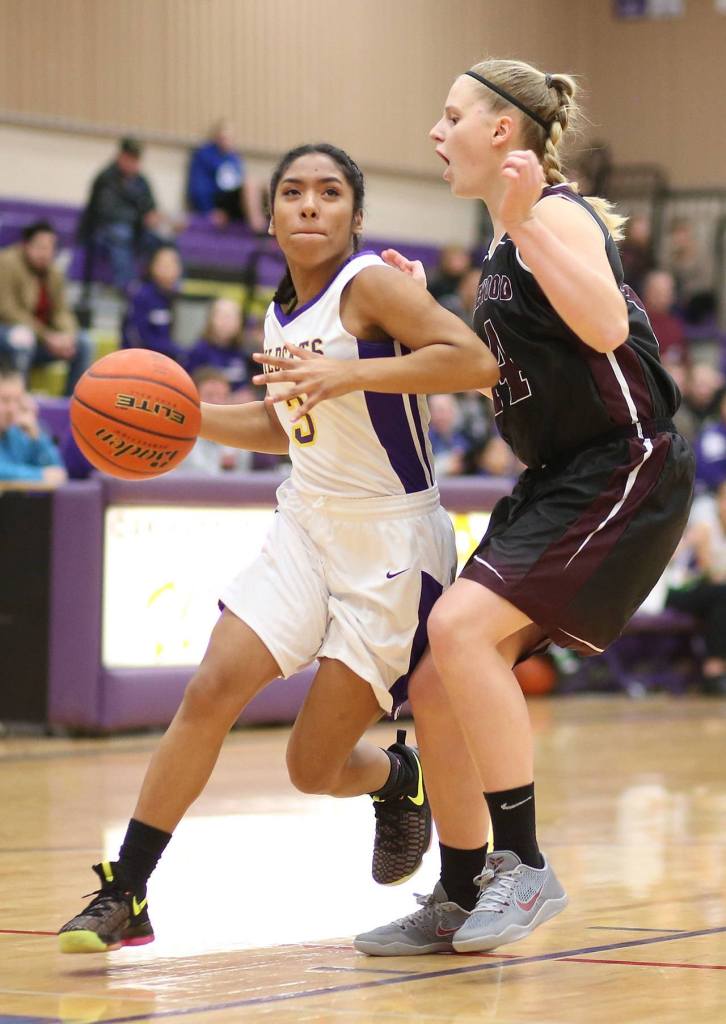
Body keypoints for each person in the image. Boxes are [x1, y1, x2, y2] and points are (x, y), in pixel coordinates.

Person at [261, 60, 694, 956]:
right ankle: (458, 889)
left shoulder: (552, 213)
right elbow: (523, 340)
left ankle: (524, 865)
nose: (435, 130)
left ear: (502, 132)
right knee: (433, 680)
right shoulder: (510, 238)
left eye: (451, 115)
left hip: (624, 464)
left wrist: (520, 219)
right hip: (559, 478)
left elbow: (608, 330)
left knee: (458, 630)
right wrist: (430, 291)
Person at [57, 142, 498, 953]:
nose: (308, 205)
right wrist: (181, 421)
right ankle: (128, 892)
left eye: (329, 193)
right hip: (307, 523)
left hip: (391, 543)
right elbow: (286, 429)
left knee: (310, 768)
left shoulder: (370, 285)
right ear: (268, 216)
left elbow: (475, 363)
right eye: (291, 192)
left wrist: (350, 376)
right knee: (212, 687)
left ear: (355, 216)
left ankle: (397, 779)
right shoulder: (279, 311)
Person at [0, 221, 91, 395]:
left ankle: (71, 402)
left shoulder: (54, 272)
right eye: (40, 247)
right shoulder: (6, 262)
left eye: (50, 248)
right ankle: (19, 400)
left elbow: (62, 311)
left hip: (44, 339)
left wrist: (67, 336)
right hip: (8, 333)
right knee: (22, 338)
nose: (46, 253)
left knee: (84, 342)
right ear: (26, 245)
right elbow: (7, 310)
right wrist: (47, 336)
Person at [79, 137, 163, 291]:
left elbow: (150, 206)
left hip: (135, 230)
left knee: (162, 240)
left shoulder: (141, 181)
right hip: (101, 231)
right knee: (121, 233)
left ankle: (158, 289)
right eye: (130, 158)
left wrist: (153, 216)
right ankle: (127, 287)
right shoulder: (106, 178)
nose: (134, 164)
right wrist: (141, 218)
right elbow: (106, 212)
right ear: (121, 156)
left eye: (136, 159)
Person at [666, 481, 726, 695]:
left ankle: (714, 673)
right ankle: (714, 669)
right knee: (721, 595)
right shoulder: (705, 523)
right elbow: (711, 573)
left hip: (709, 594)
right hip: (674, 587)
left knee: (720, 602)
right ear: (718, 501)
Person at [187, 119, 267, 233]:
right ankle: (258, 228)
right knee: (250, 183)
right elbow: (198, 185)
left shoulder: (234, 157)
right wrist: (209, 210)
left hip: (233, 198)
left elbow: (238, 181)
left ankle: (271, 223)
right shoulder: (204, 155)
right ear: (216, 138)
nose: (227, 141)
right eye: (224, 138)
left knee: (264, 184)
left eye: (230, 138)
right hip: (219, 199)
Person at [0, 362, 67, 485]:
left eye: (17, 400)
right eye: (5, 400)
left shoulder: (20, 431)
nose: (12, 408)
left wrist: (37, 437)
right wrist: (39, 475)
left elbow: (58, 470)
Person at [181, 367, 254, 475]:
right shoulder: (180, 434)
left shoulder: (239, 435)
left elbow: (243, 477)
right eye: (209, 395)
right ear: (194, 397)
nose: (216, 401)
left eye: (221, 396)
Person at [121, 245, 183, 362]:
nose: (168, 268)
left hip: (163, 358)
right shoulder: (142, 295)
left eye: (172, 264)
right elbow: (136, 336)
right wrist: (172, 351)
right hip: (137, 360)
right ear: (153, 266)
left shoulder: (171, 296)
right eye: (164, 264)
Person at [185, 297, 250, 392]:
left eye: (233, 317)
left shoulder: (242, 352)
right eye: (223, 316)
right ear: (211, 319)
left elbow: (244, 388)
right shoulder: (198, 351)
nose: (228, 322)